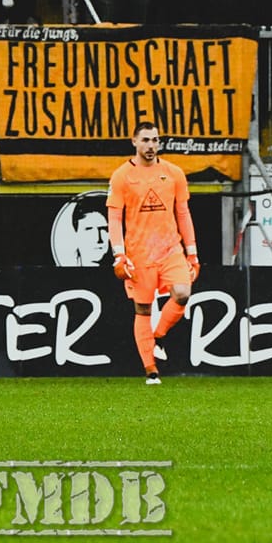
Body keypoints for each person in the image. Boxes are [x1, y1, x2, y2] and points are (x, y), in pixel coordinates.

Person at [108, 121, 199, 384]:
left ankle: (157, 337)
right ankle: (151, 369)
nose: (151, 146)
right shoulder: (122, 176)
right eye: (146, 140)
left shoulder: (173, 173)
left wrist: (192, 253)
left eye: (155, 140)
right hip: (139, 253)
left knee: (182, 293)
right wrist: (119, 255)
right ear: (134, 141)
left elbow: (183, 213)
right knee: (143, 309)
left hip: (170, 249)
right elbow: (114, 217)